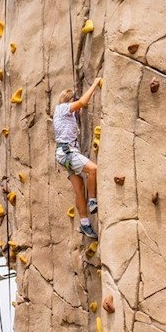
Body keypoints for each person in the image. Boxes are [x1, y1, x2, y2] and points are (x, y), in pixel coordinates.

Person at [54, 78, 102, 237]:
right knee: (93, 170)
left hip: (65, 153)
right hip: (67, 152)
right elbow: (82, 102)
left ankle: (84, 224)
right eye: (73, 100)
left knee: (80, 190)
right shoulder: (62, 108)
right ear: (70, 101)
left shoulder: (67, 116)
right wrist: (95, 83)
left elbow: (79, 106)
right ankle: (93, 201)